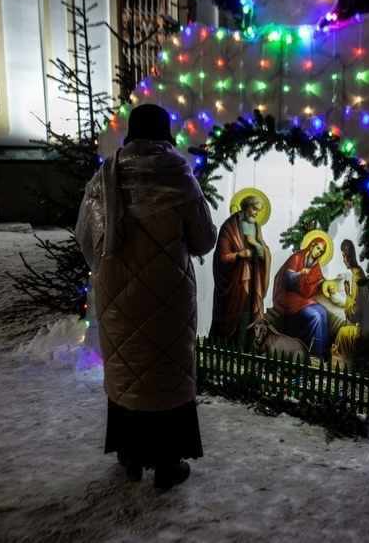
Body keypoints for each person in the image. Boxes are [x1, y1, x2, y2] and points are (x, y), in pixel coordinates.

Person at [75, 103, 217, 490]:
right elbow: (204, 241)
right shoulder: (179, 176)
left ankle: (131, 457)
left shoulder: (105, 178)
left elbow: (86, 235)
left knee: (127, 370)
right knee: (166, 375)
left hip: (115, 291)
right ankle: (167, 465)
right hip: (168, 295)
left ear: (132, 136)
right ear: (165, 135)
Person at [209, 194, 272, 349]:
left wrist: (256, 245)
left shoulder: (256, 226)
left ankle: (246, 350)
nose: (256, 213)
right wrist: (239, 254)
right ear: (246, 206)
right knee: (236, 314)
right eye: (254, 209)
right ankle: (229, 349)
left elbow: (265, 251)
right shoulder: (229, 226)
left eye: (258, 210)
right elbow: (221, 257)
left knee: (249, 315)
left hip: (252, 280)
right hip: (234, 283)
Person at [271, 237, 331, 362]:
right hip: (288, 296)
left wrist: (326, 285)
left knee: (323, 313)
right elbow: (287, 279)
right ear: (312, 245)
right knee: (315, 316)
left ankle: (322, 356)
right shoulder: (297, 258)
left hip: (303, 299)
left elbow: (318, 280)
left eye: (321, 251)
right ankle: (313, 355)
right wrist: (300, 273)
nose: (318, 252)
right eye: (318, 248)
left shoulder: (315, 265)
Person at [334, 239, 369, 371]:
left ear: (348, 256)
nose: (343, 260)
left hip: (362, 334)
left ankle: (344, 367)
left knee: (342, 332)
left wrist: (347, 295)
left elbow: (354, 314)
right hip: (368, 330)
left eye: (343, 256)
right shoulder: (359, 272)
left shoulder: (356, 278)